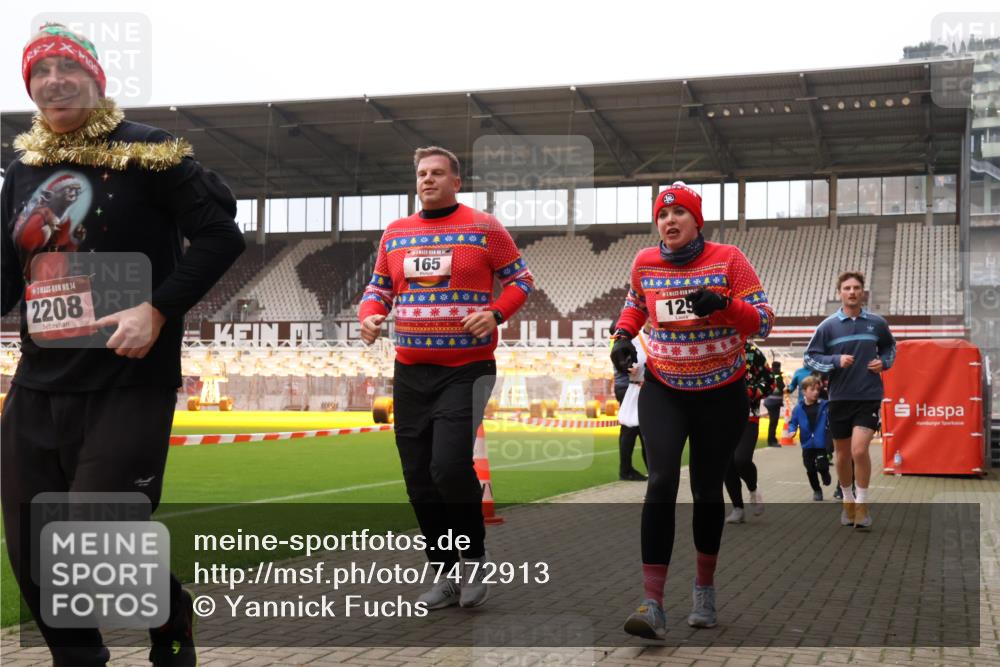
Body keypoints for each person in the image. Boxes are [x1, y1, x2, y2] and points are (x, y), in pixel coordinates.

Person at [1, 24, 245, 667]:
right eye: (40, 71)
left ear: (96, 78)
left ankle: (170, 616)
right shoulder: (22, 170)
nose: (54, 81)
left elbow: (221, 236)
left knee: (96, 530)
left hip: (128, 379)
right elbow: (6, 275)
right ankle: (77, 658)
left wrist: (157, 308)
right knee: (31, 544)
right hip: (38, 384)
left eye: (68, 68)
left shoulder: (150, 150)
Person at [358, 146, 533, 609]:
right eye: (422, 173)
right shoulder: (395, 233)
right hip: (410, 372)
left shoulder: (484, 228)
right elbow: (378, 288)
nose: (428, 179)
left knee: (449, 467)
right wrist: (369, 315)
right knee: (418, 478)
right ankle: (446, 574)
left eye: (437, 173)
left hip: (467, 369)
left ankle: (474, 559)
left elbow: (521, 280)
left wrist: (495, 313)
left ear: (457, 181)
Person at [612, 182, 773, 638]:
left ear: (697, 220)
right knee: (661, 481)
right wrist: (621, 337)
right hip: (664, 388)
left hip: (721, 392)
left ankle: (704, 589)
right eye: (662, 215)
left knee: (706, 489)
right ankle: (653, 603)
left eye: (679, 213)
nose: (670, 220)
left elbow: (763, 320)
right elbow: (634, 305)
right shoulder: (645, 262)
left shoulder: (729, 259)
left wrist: (725, 305)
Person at [804, 272, 895, 530]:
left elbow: (890, 348)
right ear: (840, 293)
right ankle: (848, 501)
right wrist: (836, 360)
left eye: (856, 288)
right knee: (842, 455)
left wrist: (883, 362)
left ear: (863, 292)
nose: (852, 292)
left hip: (868, 396)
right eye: (847, 288)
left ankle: (862, 505)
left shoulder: (877, 323)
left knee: (859, 450)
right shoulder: (828, 326)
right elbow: (810, 357)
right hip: (839, 398)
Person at [724, 341, 775, 523]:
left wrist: (749, 393)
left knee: (742, 459)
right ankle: (738, 508)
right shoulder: (714, 345)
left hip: (748, 415)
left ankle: (753, 489)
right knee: (727, 465)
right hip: (719, 417)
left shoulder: (752, 351)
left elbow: (770, 382)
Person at [782, 375, 832, 501]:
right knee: (810, 468)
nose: (816, 392)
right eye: (812, 389)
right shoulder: (798, 408)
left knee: (822, 466)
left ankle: (825, 473)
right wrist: (792, 430)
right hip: (807, 444)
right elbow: (793, 422)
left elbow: (832, 415)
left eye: (817, 390)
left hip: (821, 444)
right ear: (804, 391)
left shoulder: (824, 405)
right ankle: (817, 490)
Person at [614, 329, 648, 481]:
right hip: (632, 388)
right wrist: (625, 366)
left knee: (640, 431)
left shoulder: (652, 336)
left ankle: (648, 468)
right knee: (631, 429)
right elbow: (620, 359)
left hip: (643, 388)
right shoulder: (631, 338)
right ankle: (626, 470)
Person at [761, 359, 785, 446]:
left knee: (773, 422)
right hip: (774, 402)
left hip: (769, 401)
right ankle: (771, 440)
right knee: (774, 422)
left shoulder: (769, 374)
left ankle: (772, 439)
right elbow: (781, 386)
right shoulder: (777, 376)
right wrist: (779, 376)